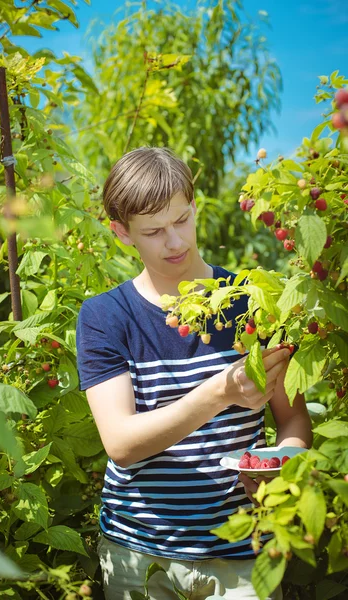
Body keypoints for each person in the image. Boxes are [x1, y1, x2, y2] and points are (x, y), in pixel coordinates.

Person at [76, 147, 312, 600]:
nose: (175, 242)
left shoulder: (253, 302)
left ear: (195, 207)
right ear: (121, 233)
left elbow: (294, 419)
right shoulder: (106, 316)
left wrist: (282, 464)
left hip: (243, 551)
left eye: (182, 220)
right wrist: (220, 393)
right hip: (140, 554)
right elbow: (122, 444)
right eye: (154, 231)